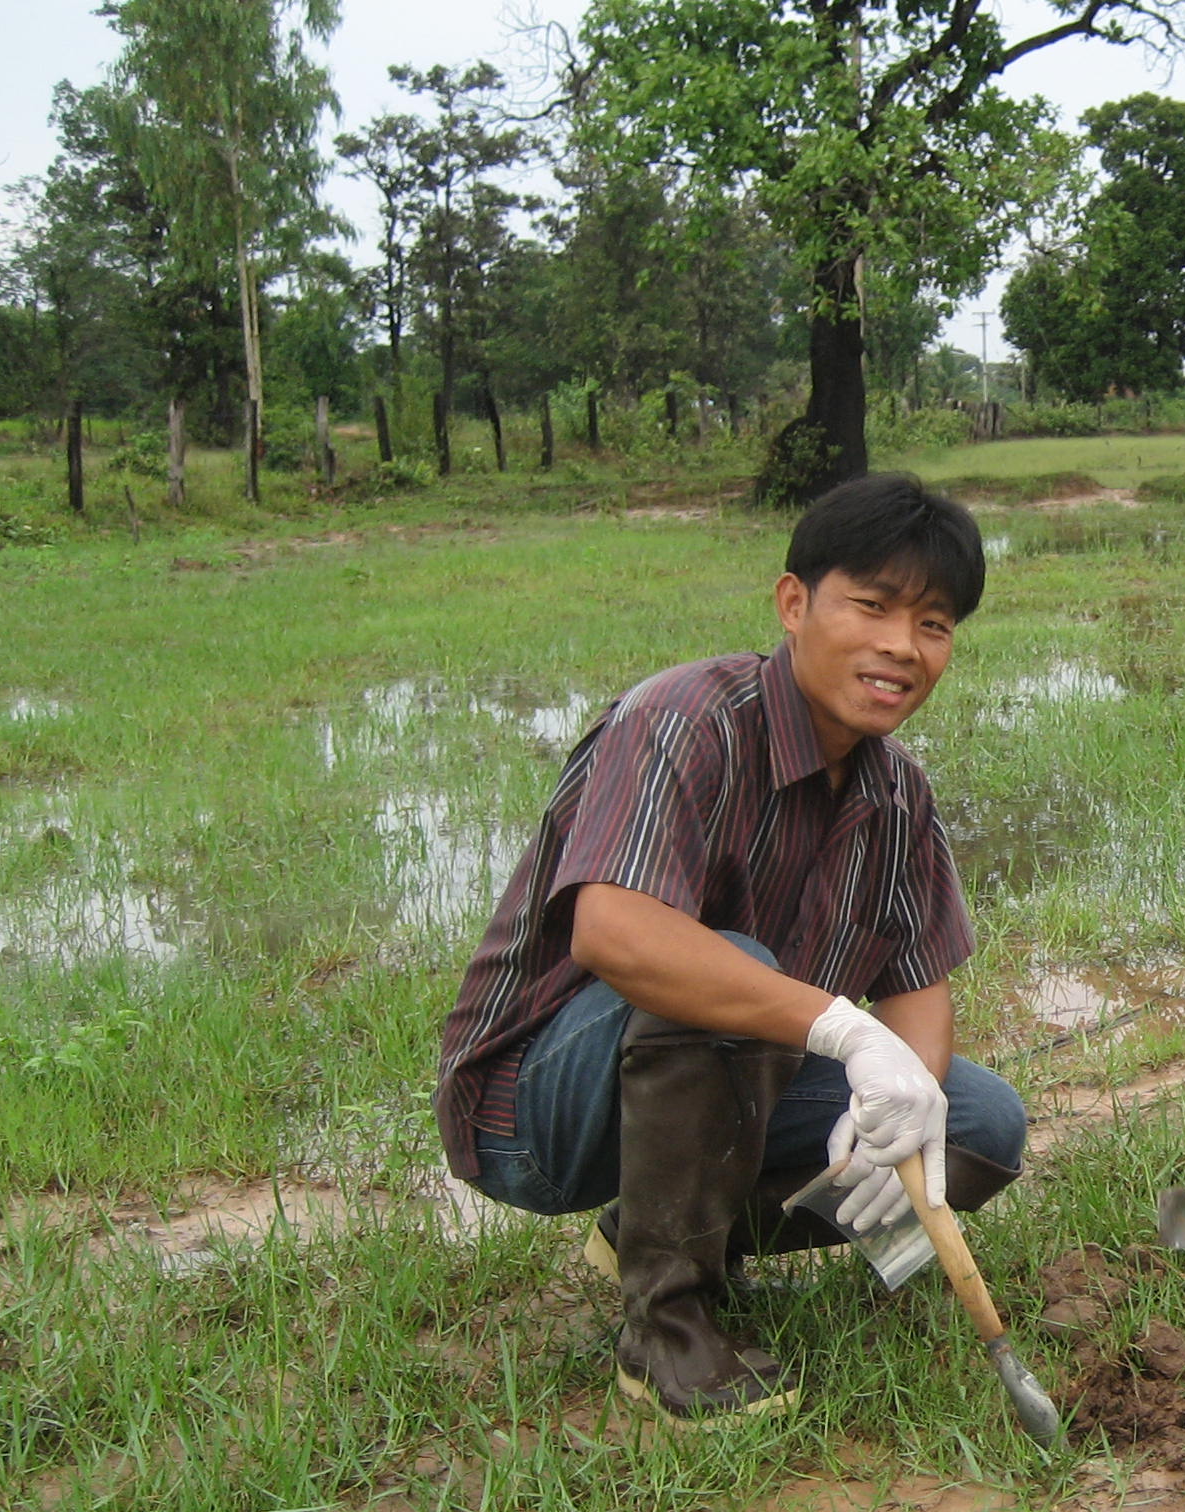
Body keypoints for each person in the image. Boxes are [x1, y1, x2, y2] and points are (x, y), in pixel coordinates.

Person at [435, 475, 1027, 1423]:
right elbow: (616, 933)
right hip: (539, 1111)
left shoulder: (898, 794)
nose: (899, 647)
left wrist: (899, 1092)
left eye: (934, 624)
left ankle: (656, 1229)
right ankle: (666, 1331)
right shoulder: (683, 721)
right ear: (794, 604)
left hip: (718, 1072)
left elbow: (918, 988)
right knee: (736, 969)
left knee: (976, 1123)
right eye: (870, 606)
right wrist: (841, 1028)